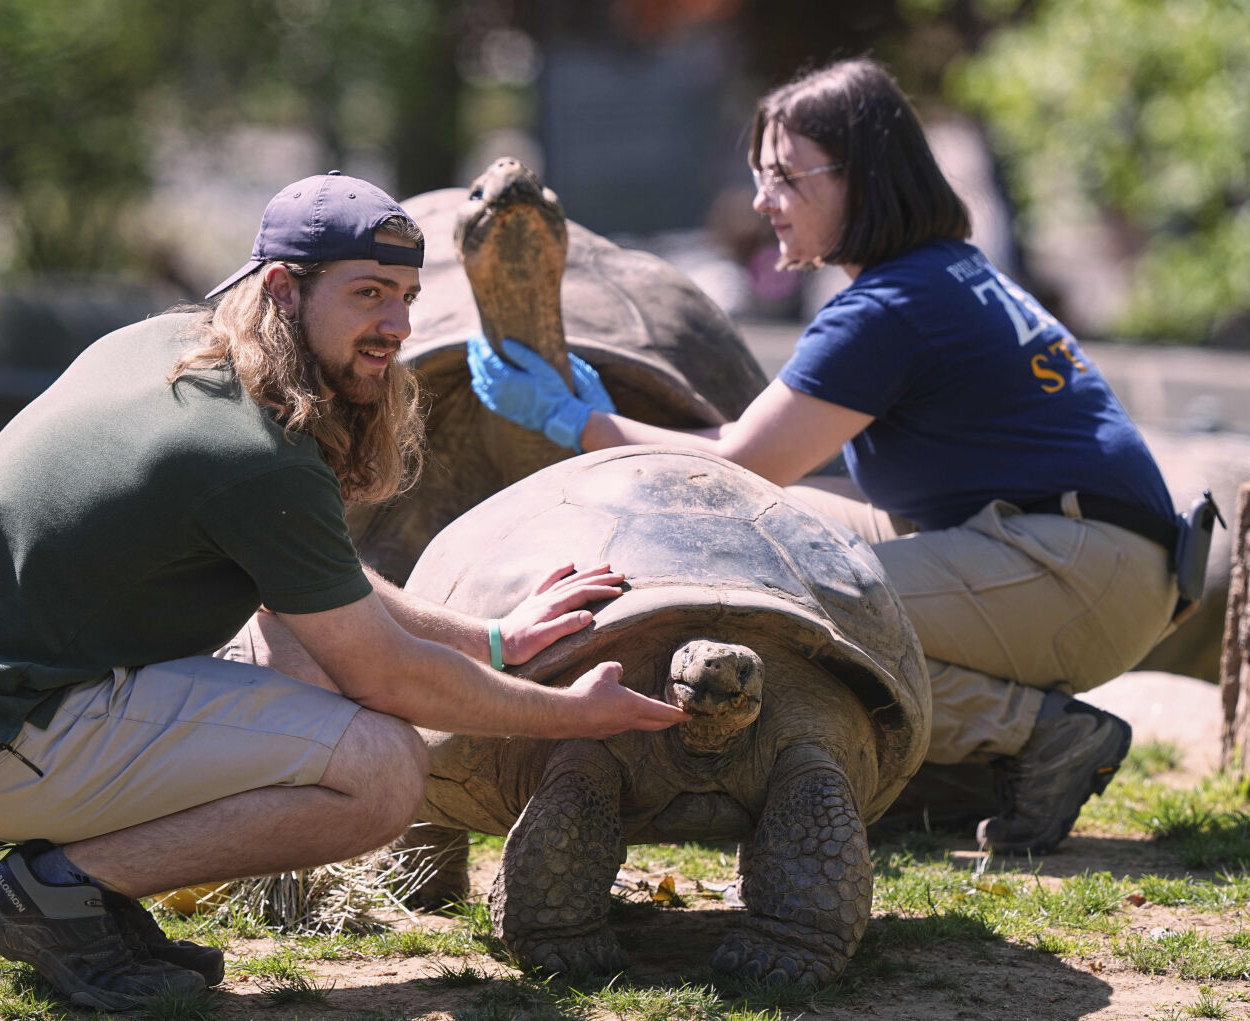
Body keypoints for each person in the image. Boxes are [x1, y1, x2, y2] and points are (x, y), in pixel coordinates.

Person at [0, 171, 688, 1011]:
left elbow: (316, 585)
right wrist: (569, 713)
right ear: (281, 288)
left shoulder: (168, 346)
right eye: (368, 293)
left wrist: (493, 640)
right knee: (382, 772)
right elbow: (388, 676)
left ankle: (87, 894)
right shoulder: (252, 452)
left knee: (303, 650)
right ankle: (52, 893)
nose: (396, 325)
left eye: (407, 297)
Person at [466, 58, 1181, 857]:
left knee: (785, 614)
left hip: (1081, 571)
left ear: (860, 176)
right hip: (1087, 554)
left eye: (784, 176)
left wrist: (575, 420)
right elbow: (758, 475)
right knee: (763, 538)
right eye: (758, 176)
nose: (761, 200)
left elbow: (741, 459)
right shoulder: (934, 272)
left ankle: (1035, 735)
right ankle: (984, 756)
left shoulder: (890, 307)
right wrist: (598, 417)